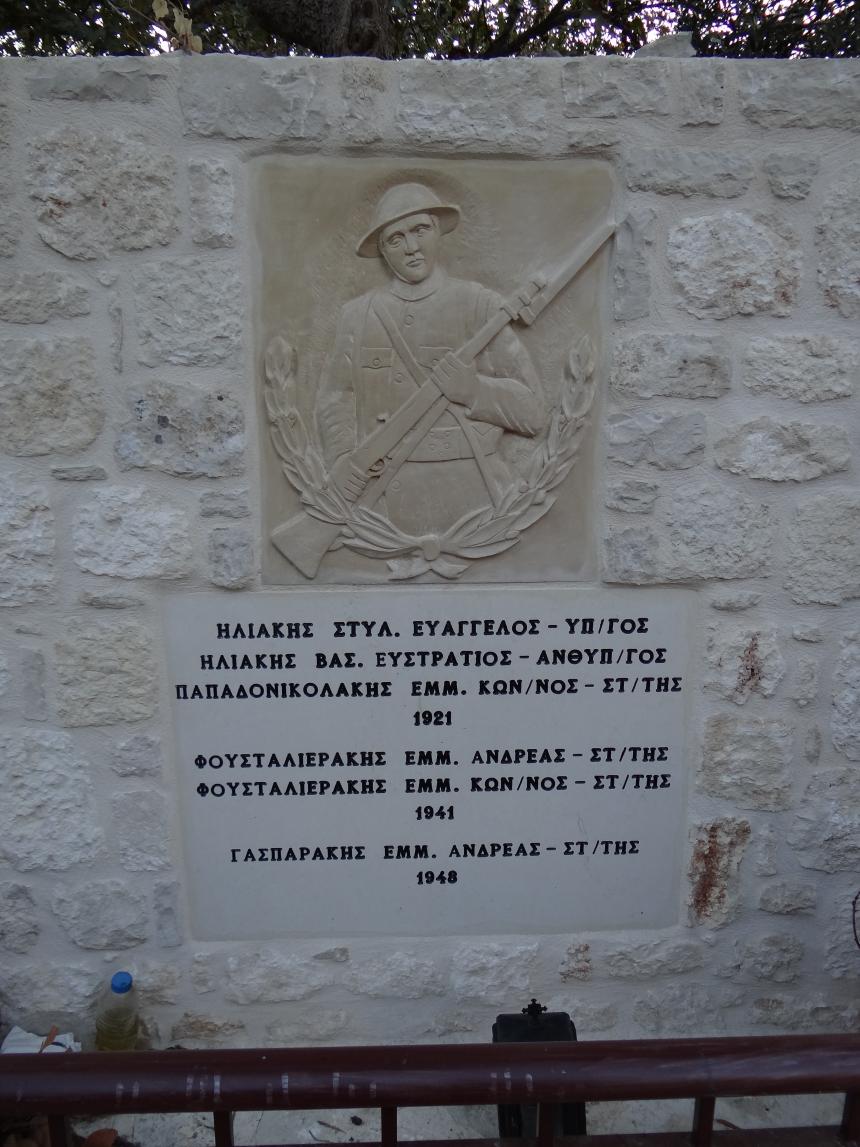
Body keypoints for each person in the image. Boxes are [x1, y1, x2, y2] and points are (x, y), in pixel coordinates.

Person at [317, 182, 545, 538]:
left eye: (420, 230)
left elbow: (533, 412)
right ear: (382, 250)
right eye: (396, 239)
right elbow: (337, 399)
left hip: (473, 496)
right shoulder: (358, 316)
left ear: (437, 231)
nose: (411, 247)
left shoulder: (479, 306)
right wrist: (344, 461)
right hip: (380, 502)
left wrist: (473, 390)